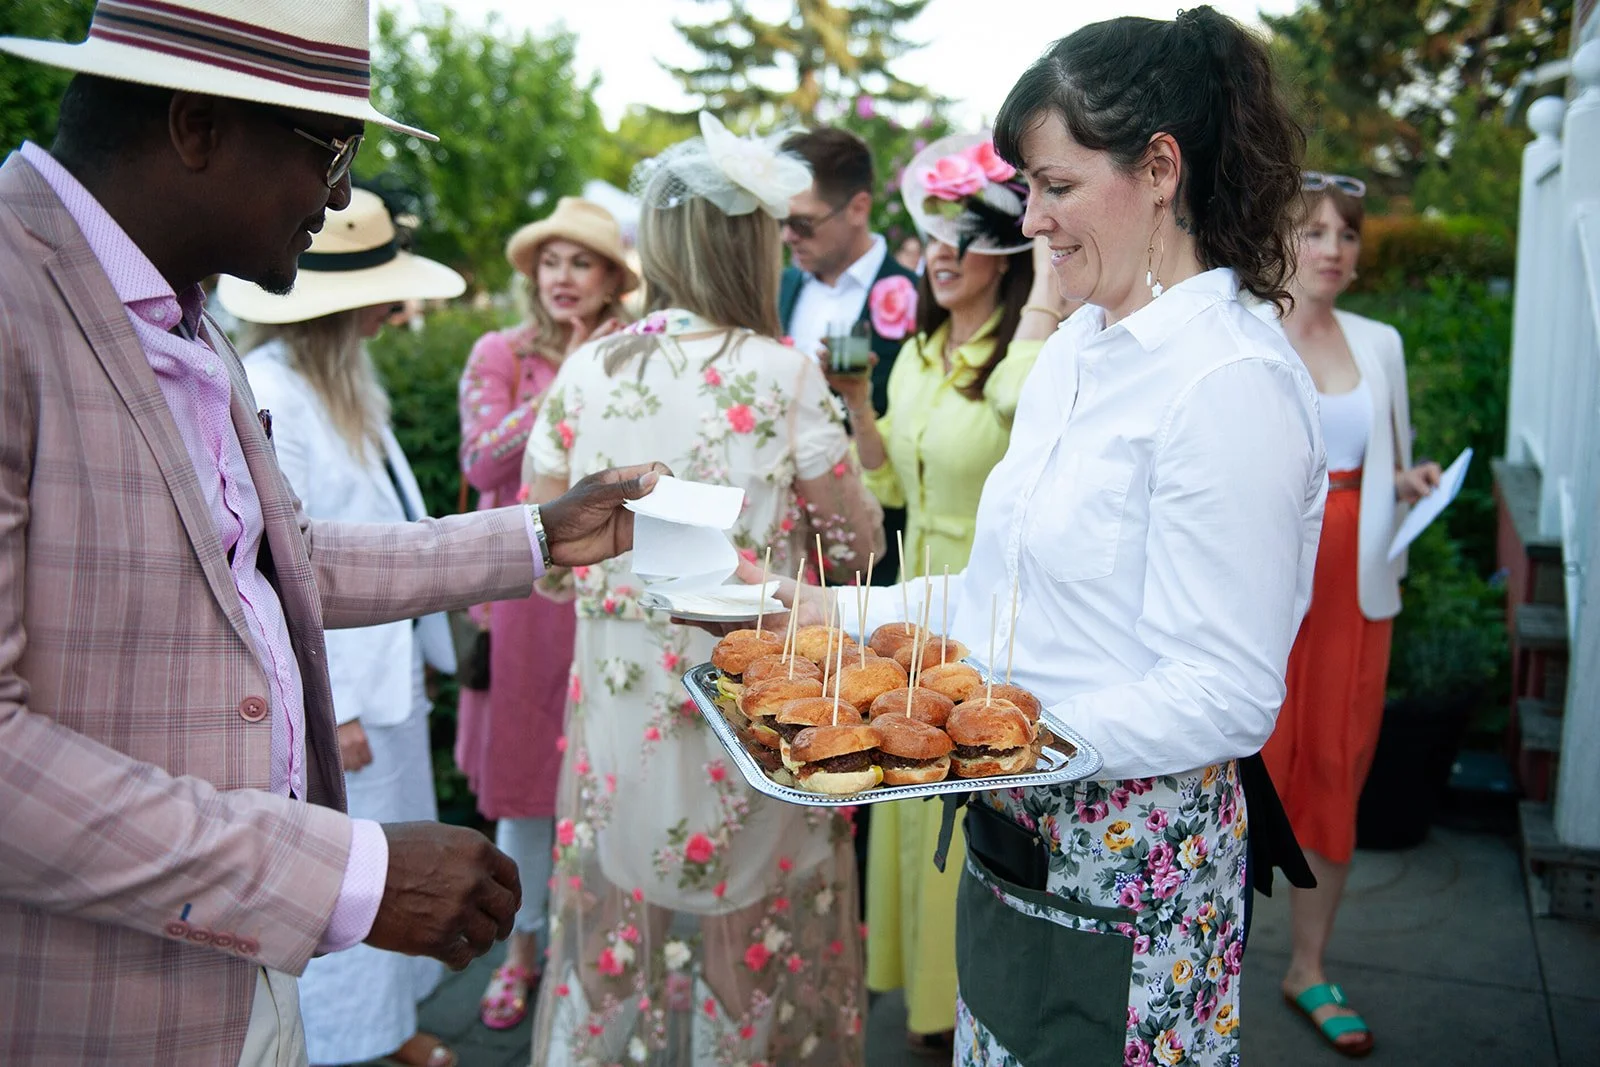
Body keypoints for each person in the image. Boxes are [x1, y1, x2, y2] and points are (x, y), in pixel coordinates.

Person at [0, 4, 666, 1063]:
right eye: (333, 149)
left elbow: (277, 562)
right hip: (87, 1009)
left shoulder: (178, 314)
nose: (344, 195)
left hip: (233, 984)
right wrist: (344, 875)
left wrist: (541, 533)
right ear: (197, 124)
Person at [731, 9, 1325, 1064]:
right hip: (1017, 830)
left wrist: (986, 733)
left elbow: (1227, 694)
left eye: (1054, 186)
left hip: (1131, 859)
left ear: (1159, 169)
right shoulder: (1077, 350)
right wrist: (826, 610)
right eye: (1028, 188)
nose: (1032, 220)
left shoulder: (1231, 383)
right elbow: (999, 600)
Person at [521, 112, 883, 1066]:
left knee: (620, 914)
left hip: (622, 704)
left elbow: (541, 553)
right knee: (755, 926)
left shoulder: (587, 369)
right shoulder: (785, 375)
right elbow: (856, 549)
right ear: (751, 245)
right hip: (754, 698)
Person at [825, 130, 1075, 1053]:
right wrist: (858, 402)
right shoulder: (922, 350)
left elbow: (1020, 408)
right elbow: (891, 485)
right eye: (930, 236)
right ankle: (931, 1010)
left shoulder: (1033, 355)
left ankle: (975, 1001)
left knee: (969, 798)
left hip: (994, 607)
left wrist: (1045, 289)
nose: (937, 253)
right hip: (913, 599)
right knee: (910, 785)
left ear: (1006, 254)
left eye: (961, 238)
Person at [217, 187, 468, 1067]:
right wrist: (342, 706)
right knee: (353, 871)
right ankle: (343, 1041)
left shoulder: (343, 380)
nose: (390, 312)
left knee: (395, 854)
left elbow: (388, 516)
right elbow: (282, 567)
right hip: (339, 687)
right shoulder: (279, 390)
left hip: (383, 669)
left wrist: (416, 650)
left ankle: (387, 1027)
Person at [1261, 173, 1442, 1057]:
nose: (1333, 248)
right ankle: (1198, 952)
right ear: (1281, 240)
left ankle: (1309, 966)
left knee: (1337, 764)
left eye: (1347, 234)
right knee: (1243, 765)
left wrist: (1409, 482)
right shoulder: (1246, 333)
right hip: (1261, 585)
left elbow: (1383, 460)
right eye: (1315, 231)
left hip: (1355, 591)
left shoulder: (1381, 343)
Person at [456, 196, 637, 1031]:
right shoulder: (502, 351)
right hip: (525, 588)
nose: (563, 277)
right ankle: (520, 949)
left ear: (611, 279)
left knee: (612, 767)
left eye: (582, 262)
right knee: (528, 778)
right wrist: (567, 379)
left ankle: (596, 938)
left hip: (612, 584)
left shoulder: (634, 356)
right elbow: (480, 459)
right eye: (551, 262)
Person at [778, 125, 917, 586]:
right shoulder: (779, 290)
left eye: (802, 223)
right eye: (781, 221)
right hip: (787, 549)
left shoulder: (917, 297)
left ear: (858, 208)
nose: (787, 236)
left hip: (879, 549)